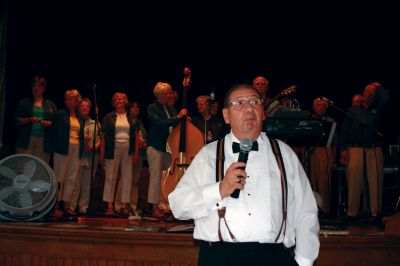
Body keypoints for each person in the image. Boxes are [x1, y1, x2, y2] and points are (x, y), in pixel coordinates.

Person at [169, 83, 319, 266]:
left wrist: (304, 261)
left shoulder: (285, 154)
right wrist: (220, 190)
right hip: (220, 257)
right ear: (226, 115)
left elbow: (306, 212)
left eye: (255, 102)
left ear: (263, 112)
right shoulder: (208, 154)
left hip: (273, 257)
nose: (249, 108)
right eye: (240, 103)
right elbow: (178, 205)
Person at [339, 82, 389, 223]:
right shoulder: (353, 110)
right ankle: (352, 213)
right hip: (355, 149)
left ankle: (375, 213)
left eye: (372, 92)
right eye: (367, 91)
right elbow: (345, 131)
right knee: (354, 181)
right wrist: (343, 149)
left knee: (375, 181)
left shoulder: (378, 109)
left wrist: (378, 86)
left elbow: (386, 97)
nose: (369, 94)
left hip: (373, 149)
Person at [146, 82, 187, 218]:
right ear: (160, 95)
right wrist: (178, 117)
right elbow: (160, 124)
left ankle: (166, 205)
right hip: (156, 147)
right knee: (155, 178)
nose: (170, 95)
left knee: (167, 179)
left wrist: (184, 120)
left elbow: (175, 124)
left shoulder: (171, 109)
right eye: (167, 93)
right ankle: (154, 207)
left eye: (170, 92)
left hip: (169, 149)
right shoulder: (152, 108)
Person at [100, 92, 136, 216]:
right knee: (111, 177)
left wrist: (135, 153)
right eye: (115, 99)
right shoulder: (108, 117)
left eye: (120, 98)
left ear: (125, 101)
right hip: (112, 148)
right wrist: (102, 154)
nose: (117, 100)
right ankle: (110, 205)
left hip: (127, 149)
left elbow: (136, 136)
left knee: (127, 177)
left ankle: (125, 205)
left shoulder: (130, 117)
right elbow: (103, 136)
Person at [52, 89, 84, 217]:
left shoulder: (79, 117)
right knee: (59, 176)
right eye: (67, 99)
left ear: (77, 101)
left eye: (71, 99)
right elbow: (54, 132)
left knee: (71, 177)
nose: (68, 101)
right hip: (62, 148)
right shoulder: (60, 114)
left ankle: (65, 204)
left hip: (76, 147)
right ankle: (55, 204)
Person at [14, 76, 57, 163]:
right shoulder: (24, 102)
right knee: (23, 165)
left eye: (39, 86)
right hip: (25, 140)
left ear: (44, 89)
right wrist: (29, 120)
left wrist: (49, 123)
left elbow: (55, 123)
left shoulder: (50, 105)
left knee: (40, 166)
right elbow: (16, 121)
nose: (36, 88)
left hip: (43, 141)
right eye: (34, 86)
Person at [115, 100, 147, 215]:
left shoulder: (139, 122)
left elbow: (144, 137)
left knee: (135, 181)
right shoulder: (125, 120)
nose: (135, 110)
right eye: (133, 107)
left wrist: (143, 143)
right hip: (128, 153)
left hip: (139, 155)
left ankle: (132, 205)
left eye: (137, 108)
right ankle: (119, 205)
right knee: (123, 180)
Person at [69, 98, 101, 215]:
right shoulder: (75, 121)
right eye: (83, 106)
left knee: (87, 184)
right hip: (78, 155)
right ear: (78, 107)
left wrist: (95, 146)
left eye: (87, 106)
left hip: (92, 156)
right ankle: (71, 206)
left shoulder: (95, 123)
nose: (85, 108)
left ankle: (83, 207)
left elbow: (100, 140)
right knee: (76, 182)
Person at [308, 97, 336, 217]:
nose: (321, 108)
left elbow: (335, 142)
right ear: (314, 107)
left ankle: (324, 211)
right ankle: (310, 210)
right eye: (319, 105)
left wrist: (333, 159)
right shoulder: (308, 119)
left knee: (324, 182)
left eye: (324, 106)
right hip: (309, 151)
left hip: (325, 151)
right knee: (310, 181)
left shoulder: (330, 121)